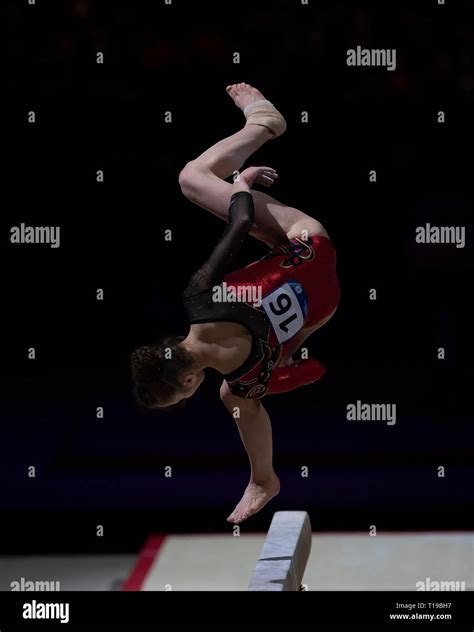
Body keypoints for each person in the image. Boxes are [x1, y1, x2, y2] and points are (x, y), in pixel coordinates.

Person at [131, 83, 340, 524]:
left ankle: (264, 478)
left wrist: (282, 377)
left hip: (324, 306)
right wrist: (241, 182)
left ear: (189, 378)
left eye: (183, 396)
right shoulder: (199, 297)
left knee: (239, 395)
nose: (191, 397)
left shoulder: (244, 382)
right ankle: (263, 125)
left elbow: (315, 371)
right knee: (191, 179)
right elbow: (240, 222)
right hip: (306, 240)